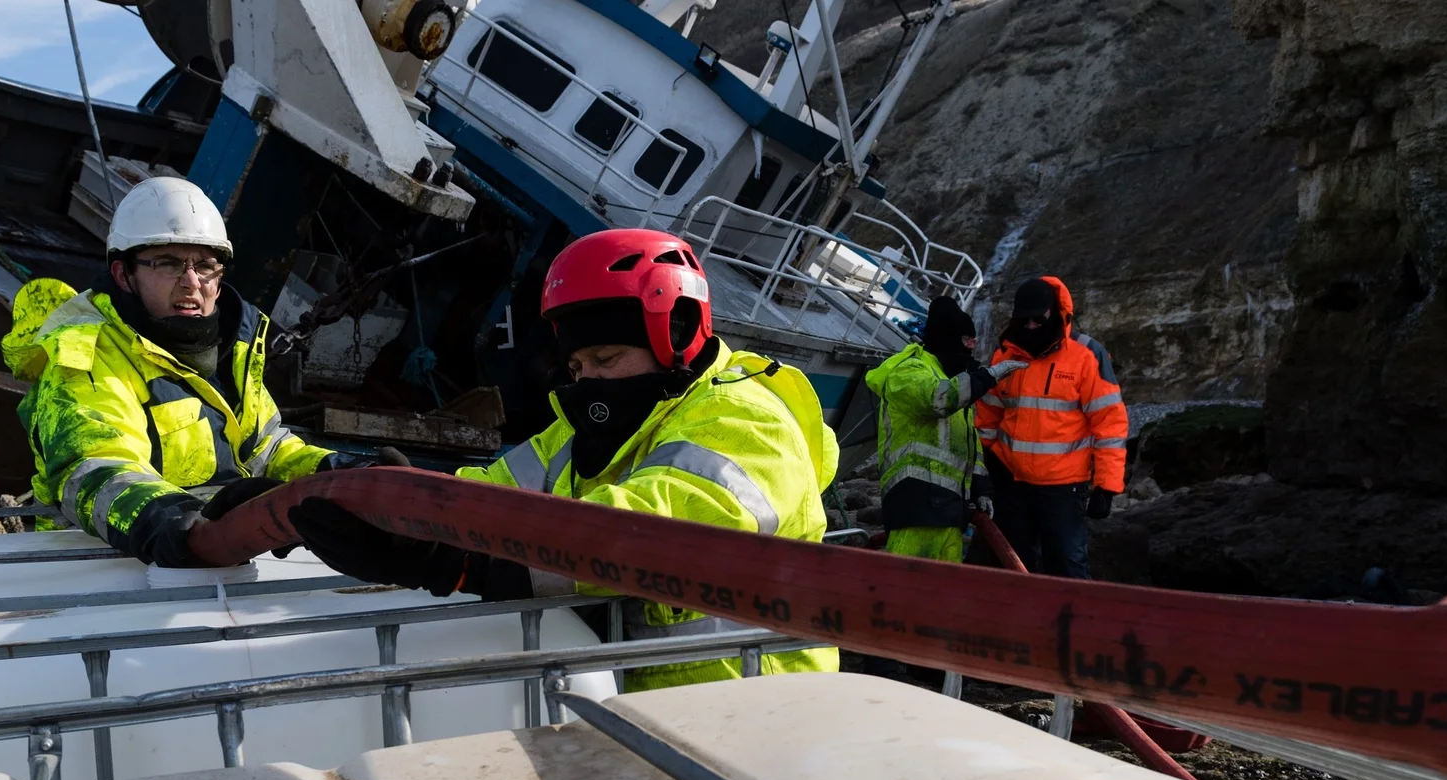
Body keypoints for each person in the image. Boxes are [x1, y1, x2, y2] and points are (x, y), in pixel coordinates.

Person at [288, 227, 841, 690]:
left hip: (759, 721)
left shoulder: (747, 422)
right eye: (577, 368)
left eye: (606, 357)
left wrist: (459, 563)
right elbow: (491, 492)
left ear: (677, 335)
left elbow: (644, 532)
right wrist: (365, 492)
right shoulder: (587, 428)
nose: (589, 382)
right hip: (637, 711)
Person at [2, 177, 374, 567]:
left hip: (222, 556)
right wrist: (176, 523)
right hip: (98, 565)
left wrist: (339, 476)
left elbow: (265, 450)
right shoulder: (85, 354)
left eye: (206, 265)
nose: (192, 282)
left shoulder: (236, 347)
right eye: (168, 263)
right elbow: (96, 469)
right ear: (122, 274)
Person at [973, 276, 1128, 577]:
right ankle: (1018, 621)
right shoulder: (1005, 354)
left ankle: (1071, 622)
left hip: (1063, 488)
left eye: (1038, 319)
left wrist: (1106, 486)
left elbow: (1110, 424)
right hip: (1012, 483)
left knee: (1067, 565)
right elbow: (987, 414)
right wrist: (986, 467)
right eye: (1024, 320)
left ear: (1056, 313)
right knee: (1012, 566)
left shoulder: (1087, 356)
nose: (1031, 327)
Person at [866, 294, 1001, 565]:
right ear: (949, 339)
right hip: (916, 507)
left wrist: (982, 490)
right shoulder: (909, 371)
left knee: (941, 597)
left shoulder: (951, 379)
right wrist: (987, 377)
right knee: (901, 591)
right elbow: (936, 400)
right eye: (967, 340)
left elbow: (968, 445)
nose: (971, 348)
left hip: (951, 512)